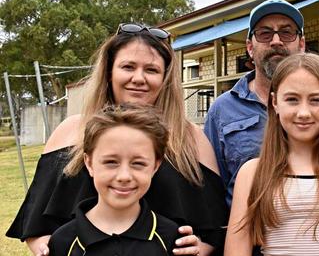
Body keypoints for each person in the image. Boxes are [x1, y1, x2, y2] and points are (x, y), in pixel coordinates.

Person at [7, 23, 228, 256]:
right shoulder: (71, 132)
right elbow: (35, 224)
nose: (139, 78)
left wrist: (198, 248)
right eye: (128, 67)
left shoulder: (190, 138)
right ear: (109, 72)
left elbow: (215, 227)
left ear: (165, 78)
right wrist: (47, 246)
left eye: (151, 70)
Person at [204, 0, 319, 206]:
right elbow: (210, 192)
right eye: (265, 33)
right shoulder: (222, 110)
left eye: (286, 32)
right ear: (250, 47)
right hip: (245, 234)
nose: (276, 41)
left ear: (301, 44)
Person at [224, 53, 319, 255]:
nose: (304, 112)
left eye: (315, 100)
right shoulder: (252, 173)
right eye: (292, 99)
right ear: (275, 103)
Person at [49, 104, 178, 255]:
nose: (124, 176)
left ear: (155, 166)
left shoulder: (172, 239)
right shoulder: (63, 242)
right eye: (111, 162)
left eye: (138, 163)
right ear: (89, 163)